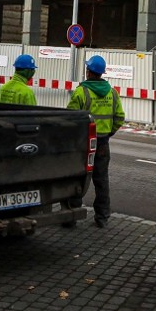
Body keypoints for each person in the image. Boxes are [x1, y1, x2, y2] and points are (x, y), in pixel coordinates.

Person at [67, 55, 125, 228]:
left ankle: (72, 216)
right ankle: (102, 217)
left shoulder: (82, 92)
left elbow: (72, 118)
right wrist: (108, 132)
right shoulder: (112, 92)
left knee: (78, 178)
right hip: (102, 143)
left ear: (88, 72)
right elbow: (120, 116)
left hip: (84, 143)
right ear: (101, 73)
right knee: (101, 180)